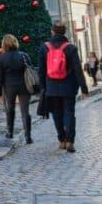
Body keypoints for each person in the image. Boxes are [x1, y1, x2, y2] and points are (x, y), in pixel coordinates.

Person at [38, 21, 89, 153]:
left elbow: (41, 71)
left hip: (51, 87)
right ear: (64, 32)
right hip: (69, 87)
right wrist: (84, 89)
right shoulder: (71, 48)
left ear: (52, 32)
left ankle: (61, 140)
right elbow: (78, 69)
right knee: (69, 113)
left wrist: (43, 88)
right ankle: (70, 141)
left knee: (56, 114)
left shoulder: (44, 47)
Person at [0, 34, 32, 143]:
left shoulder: (1, 58)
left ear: (4, 45)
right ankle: (28, 136)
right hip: (24, 85)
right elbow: (30, 70)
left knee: (10, 109)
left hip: (9, 86)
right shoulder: (24, 55)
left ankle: (10, 132)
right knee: (25, 111)